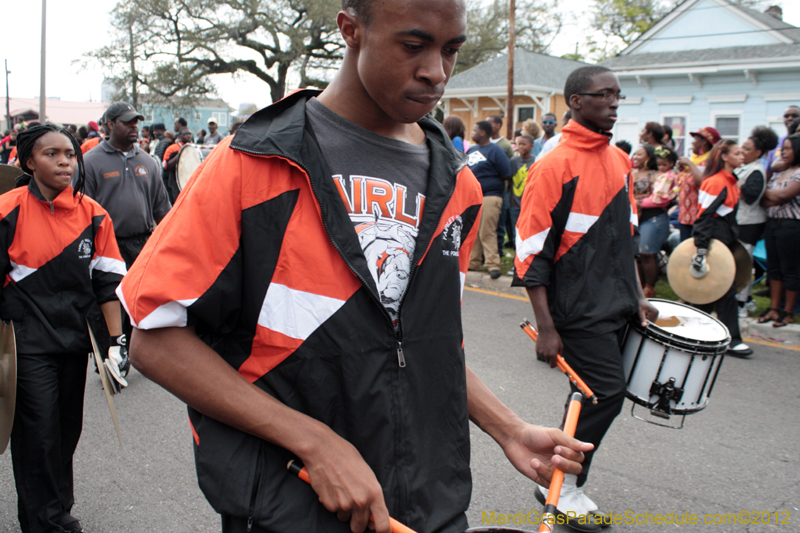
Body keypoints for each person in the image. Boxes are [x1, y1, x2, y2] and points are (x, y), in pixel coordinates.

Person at [117, 2, 592, 532]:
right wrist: (313, 442)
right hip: (291, 503)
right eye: (414, 46)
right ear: (351, 30)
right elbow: (154, 339)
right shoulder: (251, 162)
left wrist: (506, 427)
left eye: (451, 49)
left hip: (427, 504)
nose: (436, 71)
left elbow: (421, 342)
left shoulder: (459, 185)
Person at [515, 65, 657, 532]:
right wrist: (547, 327)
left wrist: (638, 296)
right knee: (604, 395)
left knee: (589, 396)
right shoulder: (553, 164)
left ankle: (559, 481)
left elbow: (627, 237)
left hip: (616, 302)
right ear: (576, 101)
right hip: (575, 309)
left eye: (618, 95)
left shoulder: (619, 160)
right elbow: (531, 250)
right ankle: (562, 485)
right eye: (603, 95)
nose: (614, 103)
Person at [3, 124, 126, 533]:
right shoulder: (7, 209)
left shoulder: (94, 214)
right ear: (28, 162)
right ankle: (47, 521)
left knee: (64, 434)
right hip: (26, 344)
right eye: (51, 154)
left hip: (74, 341)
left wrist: (116, 343)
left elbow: (108, 285)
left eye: (70, 155)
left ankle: (57, 506)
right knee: (37, 435)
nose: (64, 162)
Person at [83, 102, 171, 383]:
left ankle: (130, 355)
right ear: (109, 124)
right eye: (127, 122)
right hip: (106, 245)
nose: (134, 127)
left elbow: (162, 209)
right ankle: (108, 356)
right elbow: (81, 209)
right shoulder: (91, 161)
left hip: (141, 244)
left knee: (137, 304)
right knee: (107, 303)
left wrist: (167, 242)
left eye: (136, 122)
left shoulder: (147, 161)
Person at [689, 139, 752, 356]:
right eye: (737, 152)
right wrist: (702, 250)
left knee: (711, 291)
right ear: (724, 156)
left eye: (743, 152)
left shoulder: (730, 181)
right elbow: (704, 217)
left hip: (724, 240)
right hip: (714, 241)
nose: (742, 155)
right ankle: (732, 340)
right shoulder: (715, 182)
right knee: (724, 288)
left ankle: (694, 334)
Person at [735, 126, 779, 316]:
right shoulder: (746, 168)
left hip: (750, 224)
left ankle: (741, 305)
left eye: (746, 148)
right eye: (741, 148)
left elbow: (752, 196)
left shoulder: (757, 171)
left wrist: (736, 183)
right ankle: (748, 299)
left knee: (744, 264)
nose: (742, 152)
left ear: (758, 152)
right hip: (740, 222)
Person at [759, 134, 800, 328]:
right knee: (773, 269)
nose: (783, 152)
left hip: (791, 226)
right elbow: (766, 200)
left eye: (788, 148)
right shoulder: (779, 172)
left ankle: (788, 311)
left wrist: (766, 192)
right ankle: (774, 308)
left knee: (789, 269)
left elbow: (784, 194)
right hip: (772, 223)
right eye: (783, 148)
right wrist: (770, 195)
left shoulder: (798, 172)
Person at [468, 120, 513, 279]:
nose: (472, 133)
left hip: (490, 196)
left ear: (482, 132)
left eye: (474, 130)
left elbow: (506, 173)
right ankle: (473, 262)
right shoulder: (472, 150)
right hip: (473, 197)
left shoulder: (496, 150)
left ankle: (493, 265)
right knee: (474, 231)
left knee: (487, 231)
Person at [675, 126, 719, 241]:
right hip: (685, 216)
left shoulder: (711, 162)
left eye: (695, 140)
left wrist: (689, 164)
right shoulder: (695, 159)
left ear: (704, 142)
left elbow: (703, 184)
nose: (692, 143)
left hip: (698, 218)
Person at [509, 134, 536, 258]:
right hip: (516, 204)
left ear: (532, 146)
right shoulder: (513, 161)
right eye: (519, 144)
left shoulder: (535, 161)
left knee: (529, 234)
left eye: (524, 144)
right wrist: (511, 200)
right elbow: (510, 181)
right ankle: (517, 260)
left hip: (529, 204)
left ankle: (526, 258)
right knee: (516, 234)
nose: (521, 146)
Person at [765, 105, 799, 178]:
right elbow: (769, 170)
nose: (790, 118)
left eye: (794, 116)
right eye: (786, 116)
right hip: (776, 184)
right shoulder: (777, 142)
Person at [162, 126, 193, 202]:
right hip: (175, 184)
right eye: (185, 134)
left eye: (189, 133)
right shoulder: (172, 148)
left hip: (190, 183)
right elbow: (166, 165)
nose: (188, 136)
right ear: (180, 136)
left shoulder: (194, 148)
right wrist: (181, 153)